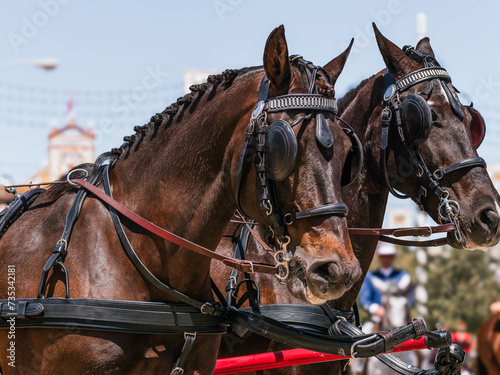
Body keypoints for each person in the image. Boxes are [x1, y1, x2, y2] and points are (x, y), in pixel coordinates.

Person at [356, 242, 417, 375]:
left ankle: (423, 365)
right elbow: (365, 300)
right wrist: (374, 308)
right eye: (384, 256)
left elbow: (411, 298)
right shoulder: (371, 277)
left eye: (389, 256)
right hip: (379, 317)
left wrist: (402, 303)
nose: (386, 259)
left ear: (393, 257)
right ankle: (358, 368)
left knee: (421, 339)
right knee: (361, 336)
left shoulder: (402, 275)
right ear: (379, 257)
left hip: (400, 315)